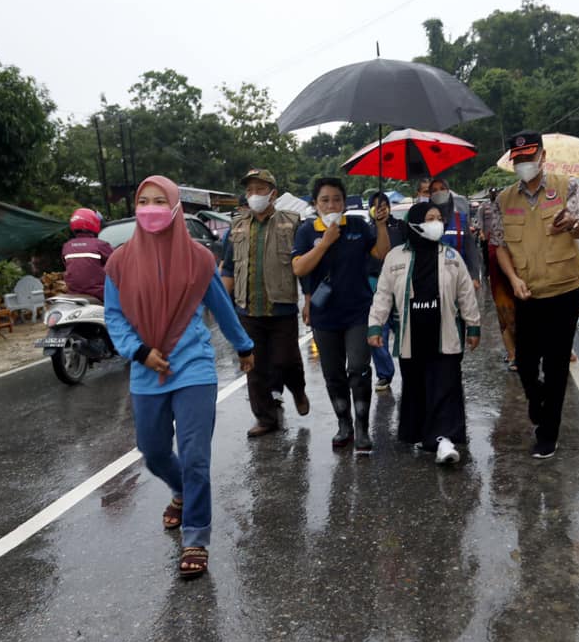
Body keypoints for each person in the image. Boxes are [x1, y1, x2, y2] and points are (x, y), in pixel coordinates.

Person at [104, 175, 255, 578]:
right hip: (145, 369)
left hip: (194, 368)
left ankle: (197, 537)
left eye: (159, 201)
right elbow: (114, 316)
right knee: (152, 451)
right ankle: (182, 492)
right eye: (143, 201)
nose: (150, 208)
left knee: (194, 456)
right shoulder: (118, 262)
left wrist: (244, 346)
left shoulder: (198, 259)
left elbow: (221, 308)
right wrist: (138, 351)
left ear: (174, 208)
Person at [488, 130, 579, 459]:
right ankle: (536, 398)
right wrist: (512, 278)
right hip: (527, 291)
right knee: (527, 362)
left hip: (564, 288)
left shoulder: (567, 186)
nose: (524, 164)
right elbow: (500, 245)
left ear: (543, 157)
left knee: (557, 362)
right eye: (518, 159)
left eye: (529, 157)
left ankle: (549, 433)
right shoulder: (503, 199)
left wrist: (572, 223)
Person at [368, 202, 480, 464]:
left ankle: (444, 439)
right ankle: (420, 433)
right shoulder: (395, 257)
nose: (436, 223)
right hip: (412, 335)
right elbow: (383, 295)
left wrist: (473, 325)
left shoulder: (452, 257)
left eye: (439, 218)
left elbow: (466, 294)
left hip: (444, 333)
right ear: (415, 222)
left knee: (446, 385)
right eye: (429, 218)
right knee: (417, 386)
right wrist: (375, 325)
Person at [292, 177, 391, 454]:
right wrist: (324, 243)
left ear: (345, 202)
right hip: (325, 316)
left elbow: (381, 252)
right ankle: (344, 424)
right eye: (324, 200)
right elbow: (299, 268)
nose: (331, 204)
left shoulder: (358, 226)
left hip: (359, 311)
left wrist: (381, 223)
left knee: (358, 369)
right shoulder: (305, 231)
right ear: (315, 204)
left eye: (337, 199)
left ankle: (362, 428)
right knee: (333, 374)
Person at [220, 168, 309, 438]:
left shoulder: (292, 224)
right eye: (249, 190)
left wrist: (309, 301)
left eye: (260, 189)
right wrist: (224, 306)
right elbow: (228, 269)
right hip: (247, 309)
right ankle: (266, 418)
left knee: (286, 360)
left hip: (281, 307)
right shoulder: (236, 226)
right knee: (254, 367)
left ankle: (298, 389)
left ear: (273, 194)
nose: (254, 195)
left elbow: (302, 266)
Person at [365, 192, 407, 392]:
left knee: (404, 330)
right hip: (375, 285)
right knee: (377, 332)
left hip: (400, 284)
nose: (380, 208)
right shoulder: (367, 231)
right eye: (375, 206)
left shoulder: (401, 227)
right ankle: (384, 374)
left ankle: (410, 370)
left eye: (383, 205)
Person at [480, 188, 518, 370]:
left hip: (520, 278)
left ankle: (523, 352)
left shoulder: (519, 227)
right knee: (505, 316)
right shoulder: (493, 237)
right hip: (500, 280)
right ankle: (512, 355)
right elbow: (491, 256)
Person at [429, 178, 482, 289]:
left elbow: (471, 250)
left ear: (448, 192)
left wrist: (474, 276)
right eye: (434, 190)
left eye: (442, 189)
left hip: (459, 278)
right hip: (433, 279)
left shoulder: (460, 219)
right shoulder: (425, 221)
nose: (438, 192)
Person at [62, 208, 113, 301]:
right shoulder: (100, 245)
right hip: (100, 295)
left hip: (74, 296)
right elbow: (118, 264)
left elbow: (67, 266)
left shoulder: (67, 246)